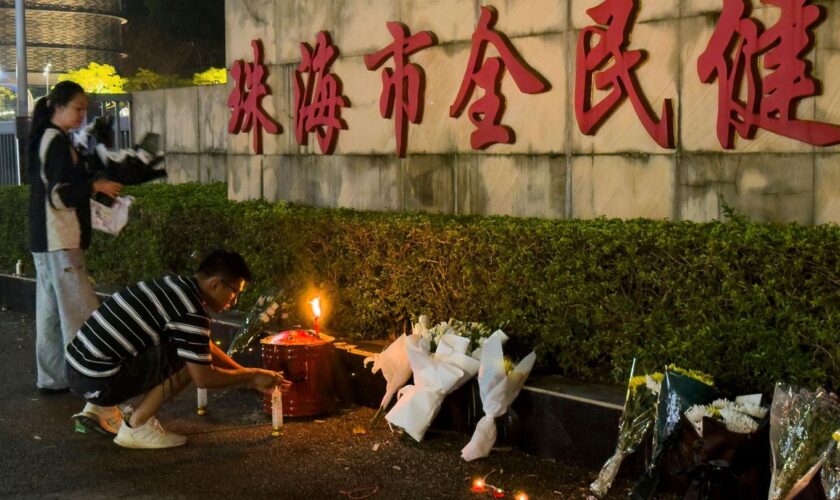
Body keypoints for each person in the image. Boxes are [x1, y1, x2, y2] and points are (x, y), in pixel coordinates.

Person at [65, 250, 289, 449]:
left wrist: (244, 373)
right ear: (215, 284)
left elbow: (203, 346)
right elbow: (204, 378)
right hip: (99, 381)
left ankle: (99, 409)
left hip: (79, 369)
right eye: (234, 293)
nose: (234, 302)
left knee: (188, 349)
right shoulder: (191, 311)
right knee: (186, 361)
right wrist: (252, 376)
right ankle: (137, 426)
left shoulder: (176, 286)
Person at [28, 80, 123, 392]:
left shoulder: (49, 137)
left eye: (85, 108)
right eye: (78, 108)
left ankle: (52, 378)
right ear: (59, 107)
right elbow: (60, 194)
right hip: (60, 238)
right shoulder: (56, 142)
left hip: (46, 239)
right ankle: (91, 381)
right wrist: (95, 186)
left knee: (52, 312)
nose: (83, 114)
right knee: (80, 310)